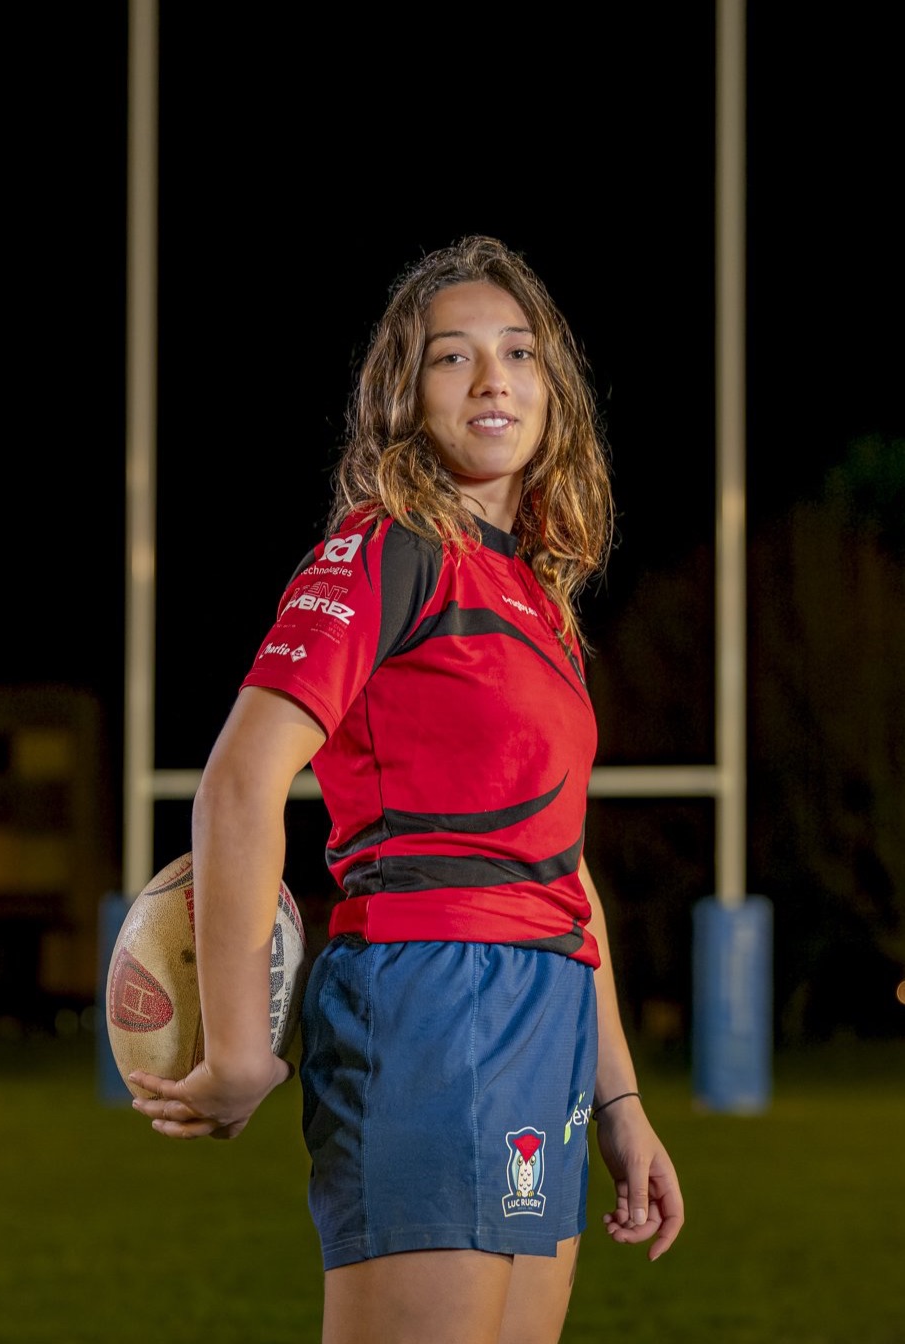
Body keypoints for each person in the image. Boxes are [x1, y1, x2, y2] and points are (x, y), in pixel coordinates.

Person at [129, 235, 684, 1344]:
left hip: (547, 1013)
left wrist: (620, 1102)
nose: (492, 378)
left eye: (519, 351)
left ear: (552, 389)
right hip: (434, 1001)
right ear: (402, 394)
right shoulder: (390, 549)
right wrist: (242, 1045)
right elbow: (242, 778)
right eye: (452, 356)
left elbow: (563, 869)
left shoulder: (538, 602)